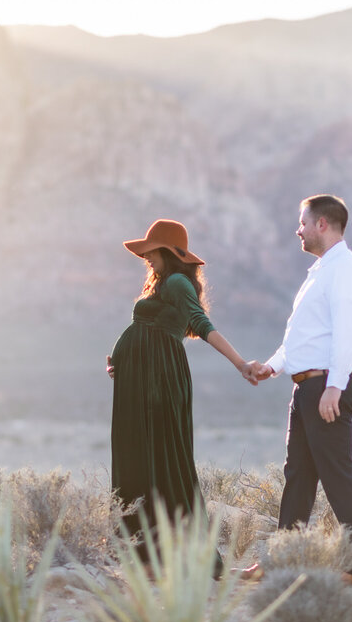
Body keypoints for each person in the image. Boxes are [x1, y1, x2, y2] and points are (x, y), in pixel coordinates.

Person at [107, 219, 256, 578]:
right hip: (139, 381)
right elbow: (146, 329)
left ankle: (204, 564)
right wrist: (122, 359)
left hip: (158, 381)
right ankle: (144, 559)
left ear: (169, 253)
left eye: (152, 251)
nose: (147, 258)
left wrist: (241, 364)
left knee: (168, 465)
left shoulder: (175, 282)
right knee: (137, 461)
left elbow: (201, 324)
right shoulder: (159, 283)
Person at [240, 194, 352, 587]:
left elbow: (347, 332)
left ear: (322, 224)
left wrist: (335, 386)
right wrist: (273, 366)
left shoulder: (345, 269)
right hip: (307, 387)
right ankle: (282, 561)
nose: (297, 230)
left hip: (326, 386)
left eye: (302, 222)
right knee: (298, 476)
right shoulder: (319, 271)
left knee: (337, 476)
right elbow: (303, 337)